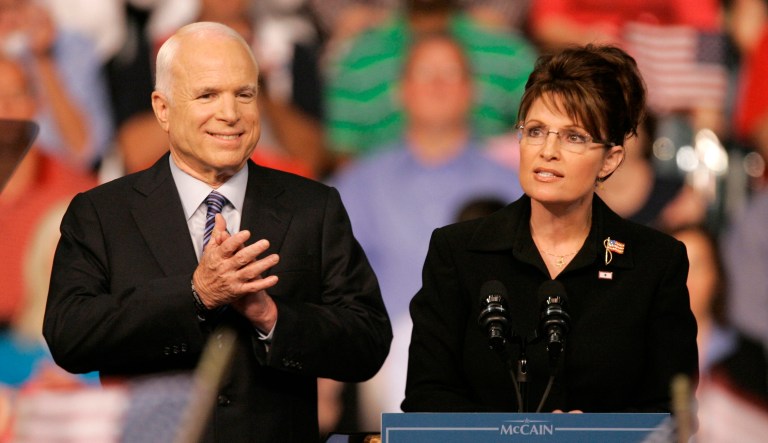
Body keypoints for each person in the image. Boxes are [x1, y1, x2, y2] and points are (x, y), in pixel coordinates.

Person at [42, 22, 392, 443]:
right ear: (163, 108)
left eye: (244, 94)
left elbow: (368, 341)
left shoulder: (312, 207)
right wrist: (195, 295)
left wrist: (273, 318)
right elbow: (70, 335)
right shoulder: (101, 213)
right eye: (207, 95)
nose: (230, 114)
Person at [401, 44, 698, 413]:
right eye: (537, 131)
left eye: (573, 136)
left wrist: (593, 437)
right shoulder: (458, 252)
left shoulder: (655, 263)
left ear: (610, 159)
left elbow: (673, 410)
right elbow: (427, 397)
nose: (548, 151)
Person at [330, 33, 522, 428]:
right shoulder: (359, 184)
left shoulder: (514, 186)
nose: (437, 84)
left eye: (450, 73)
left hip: (492, 349)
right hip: (389, 355)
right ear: (402, 91)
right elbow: (331, 288)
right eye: (425, 72)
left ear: (471, 91)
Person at [323, 0, 537, 162]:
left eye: (452, 73)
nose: (437, 84)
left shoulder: (509, 54)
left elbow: (541, 138)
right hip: (384, 207)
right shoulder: (359, 59)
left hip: (492, 203)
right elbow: (344, 155)